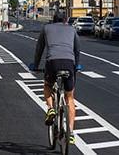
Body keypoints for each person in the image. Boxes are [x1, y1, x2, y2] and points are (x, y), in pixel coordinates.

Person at [31, 11, 80, 145]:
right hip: (69, 63)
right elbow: (77, 49)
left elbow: (39, 49)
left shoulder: (46, 28)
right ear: (65, 20)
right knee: (69, 97)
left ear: (53, 20)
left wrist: (35, 65)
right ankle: (70, 132)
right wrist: (77, 65)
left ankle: (51, 108)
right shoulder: (72, 29)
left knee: (47, 85)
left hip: (52, 62)